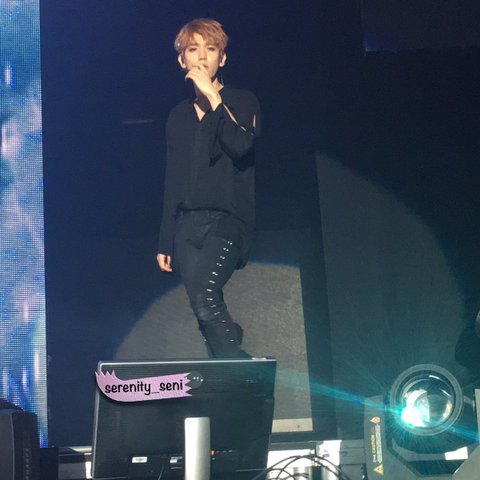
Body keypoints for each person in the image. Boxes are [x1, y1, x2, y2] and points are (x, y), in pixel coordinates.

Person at [157, 18, 261, 358]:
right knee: (202, 307)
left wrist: (214, 99)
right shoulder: (178, 116)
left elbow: (240, 146)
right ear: (181, 60)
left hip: (228, 220)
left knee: (205, 295)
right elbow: (173, 177)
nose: (202, 57)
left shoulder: (243, 101)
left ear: (223, 58)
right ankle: (229, 361)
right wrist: (166, 238)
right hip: (187, 225)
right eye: (193, 49)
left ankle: (240, 368)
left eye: (211, 49)